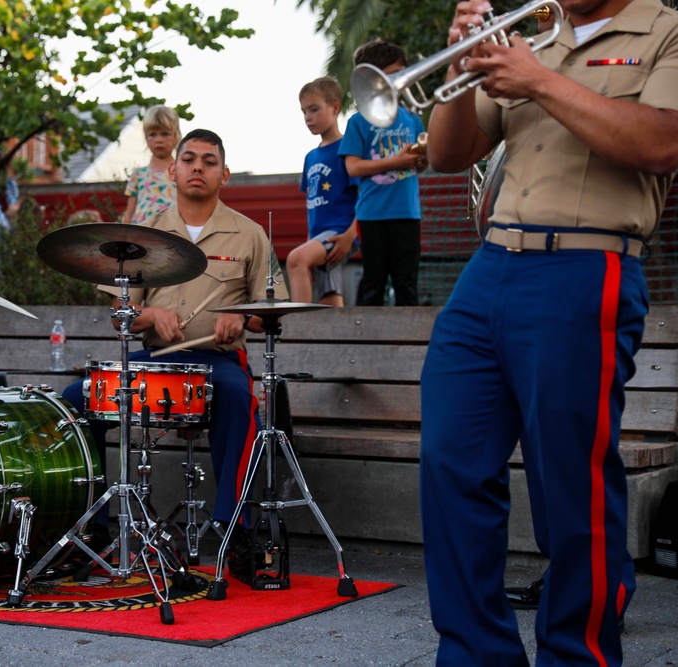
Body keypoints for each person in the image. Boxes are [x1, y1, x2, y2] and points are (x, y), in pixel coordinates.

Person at [419, 0, 678, 664]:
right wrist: (461, 60)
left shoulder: (665, 31)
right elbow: (449, 154)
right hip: (491, 265)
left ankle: (577, 654)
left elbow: (660, 142)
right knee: (453, 465)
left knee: (572, 484)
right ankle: (477, 652)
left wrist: (538, 79)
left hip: (588, 263)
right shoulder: (539, 39)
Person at [61, 128, 287, 557]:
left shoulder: (250, 234)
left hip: (218, 362)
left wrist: (239, 317)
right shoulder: (142, 234)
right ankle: (94, 527)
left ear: (225, 175)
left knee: (241, 400)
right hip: (154, 360)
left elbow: (270, 313)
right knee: (77, 401)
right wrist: (152, 315)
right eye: (189, 159)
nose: (198, 167)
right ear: (172, 170)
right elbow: (119, 315)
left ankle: (231, 528)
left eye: (209, 160)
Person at [339, 41, 426, 307]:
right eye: (395, 73)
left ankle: (408, 344)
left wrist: (419, 160)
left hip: (407, 212)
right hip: (373, 214)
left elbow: (420, 165)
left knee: (406, 282)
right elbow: (353, 167)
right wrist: (395, 161)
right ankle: (365, 342)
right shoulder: (358, 121)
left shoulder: (412, 119)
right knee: (373, 281)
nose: (402, 79)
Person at [287, 76, 359, 306]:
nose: (308, 117)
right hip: (318, 237)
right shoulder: (310, 157)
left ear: (335, 107)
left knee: (295, 260)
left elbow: (363, 197)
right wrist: (310, 241)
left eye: (314, 109)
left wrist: (351, 235)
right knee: (329, 295)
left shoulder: (348, 148)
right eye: (304, 112)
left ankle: (297, 332)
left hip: (341, 233)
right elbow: (313, 204)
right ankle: (335, 341)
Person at [121, 105, 180, 224]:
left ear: (176, 136)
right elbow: (129, 214)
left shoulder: (181, 172)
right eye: (153, 134)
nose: (159, 139)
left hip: (173, 233)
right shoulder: (138, 175)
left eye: (165, 134)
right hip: (142, 236)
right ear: (146, 138)